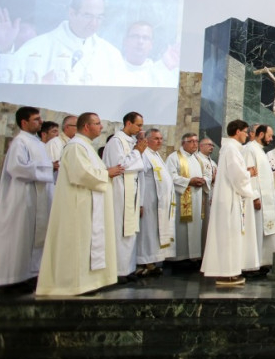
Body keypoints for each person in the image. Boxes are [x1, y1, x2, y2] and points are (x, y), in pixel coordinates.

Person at [36, 112, 125, 296]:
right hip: (79, 207)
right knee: (78, 245)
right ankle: (73, 284)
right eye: (97, 123)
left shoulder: (85, 146)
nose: (101, 127)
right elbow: (81, 174)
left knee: (86, 245)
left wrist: (105, 173)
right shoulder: (76, 146)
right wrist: (107, 173)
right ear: (86, 126)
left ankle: (88, 282)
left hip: (88, 205)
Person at [0, 0, 123, 85]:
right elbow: (9, 84)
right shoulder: (38, 46)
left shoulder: (111, 54)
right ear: (72, 13)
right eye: (88, 16)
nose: (94, 23)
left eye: (99, 17)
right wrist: (5, 48)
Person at [0, 107, 56, 290]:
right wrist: (48, 167)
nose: (40, 122)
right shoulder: (20, 142)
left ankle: (30, 274)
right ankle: (13, 279)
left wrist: (47, 167)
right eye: (36, 119)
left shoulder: (36, 142)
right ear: (24, 122)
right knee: (19, 237)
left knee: (33, 238)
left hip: (36, 198)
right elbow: (16, 168)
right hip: (22, 198)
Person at [201, 120, 258, 287]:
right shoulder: (231, 149)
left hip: (230, 196)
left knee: (230, 235)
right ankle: (226, 274)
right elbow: (237, 176)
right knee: (229, 236)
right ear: (237, 131)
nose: (247, 135)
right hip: (229, 200)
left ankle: (230, 272)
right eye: (245, 132)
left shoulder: (231, 148)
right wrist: (249, 173)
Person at [102, 111, 147, 281]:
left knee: (129, 231)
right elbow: (120, 166)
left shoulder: (132, 142)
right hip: (119, 192)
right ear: (128, 123)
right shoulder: (116, 142)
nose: (140, 129)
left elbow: (138, 168)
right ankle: (116, 271)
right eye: (138, 125)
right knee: (119, 230)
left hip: (131, 191)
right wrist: (137, 152)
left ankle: (128, 269)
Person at [136, 128, 174, 277]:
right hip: (148, 200)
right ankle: (141, 262)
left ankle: (151, 262)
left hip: (159, 203)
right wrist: (139, 202)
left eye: (161, 138)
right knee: (146, 232)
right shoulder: (144, 154)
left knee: (153, 233)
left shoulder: (156, 155)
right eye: (156, 138)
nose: (160, 141)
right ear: (147, 140)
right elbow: (139, 178)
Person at [166, 133, 208, 266]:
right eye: (191, 141)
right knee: (182, 229)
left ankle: (193, 256)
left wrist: (203, 180)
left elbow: (206, 174)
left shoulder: (197, 159)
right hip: (181, 198)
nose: (195, 144)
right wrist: (189, 181)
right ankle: (179, 258)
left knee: (195, 227)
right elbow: (170, 177)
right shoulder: (174, 157)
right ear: (183, 143)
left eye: (196, 141)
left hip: (196, 199)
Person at [242, 125, 275, 272]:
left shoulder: (260, 150)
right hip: (256, 199)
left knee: (264, 233)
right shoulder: (250, 149)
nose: (271, 139)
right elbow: (250, 174)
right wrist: (255, 196)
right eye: (269, 136)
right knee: (255, 232)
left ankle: (263, 262)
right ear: (261, 134)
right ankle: (252, 265)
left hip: (266, 199)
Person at [119, 21, 179, 88]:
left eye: (145, 38)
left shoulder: (159, 73)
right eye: (135, 36)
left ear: (151, 44)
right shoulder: (114, 68)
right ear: (125, 41)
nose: (140, 41)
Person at [195, 137, 217, 253]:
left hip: (212, 196)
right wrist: (211, 179)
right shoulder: (197, 159)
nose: (211, 147)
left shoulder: (213, 162)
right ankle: (200, 250)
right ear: (201, 146)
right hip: (201, 195)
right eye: (209, 145)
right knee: (202, 224)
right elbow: (198, 177)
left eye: (212, 145)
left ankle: (207, 251)